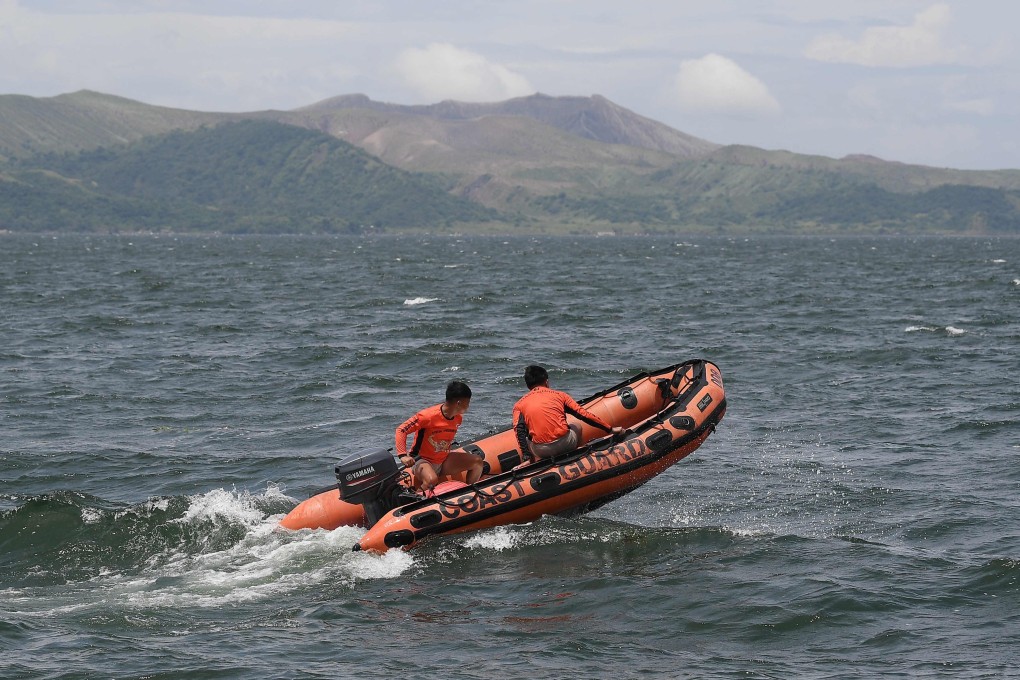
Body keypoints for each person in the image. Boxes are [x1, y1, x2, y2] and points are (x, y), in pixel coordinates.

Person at [512, 365, 624, 461]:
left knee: (528, 438)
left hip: (542, 451)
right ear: (547, 382)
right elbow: (583, 414)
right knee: (577, 426)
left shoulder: (519, 405)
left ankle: (537, 464)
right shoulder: (560, 395)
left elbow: (519, 430)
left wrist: (526, 456)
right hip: (565, 444)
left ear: (528, 386)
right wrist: (610, 429)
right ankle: (577, 458)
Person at [395, 380, 483, 492]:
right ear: (459, 403)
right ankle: (415, 501)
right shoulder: (427, 416)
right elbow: (401, 430)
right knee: (432, 480)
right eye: (468, 402)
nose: (469, 406)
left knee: (477, 462)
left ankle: (469, 493)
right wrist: (403, 455)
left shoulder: (458, 418)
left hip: (443, 460)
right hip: (421, 460)